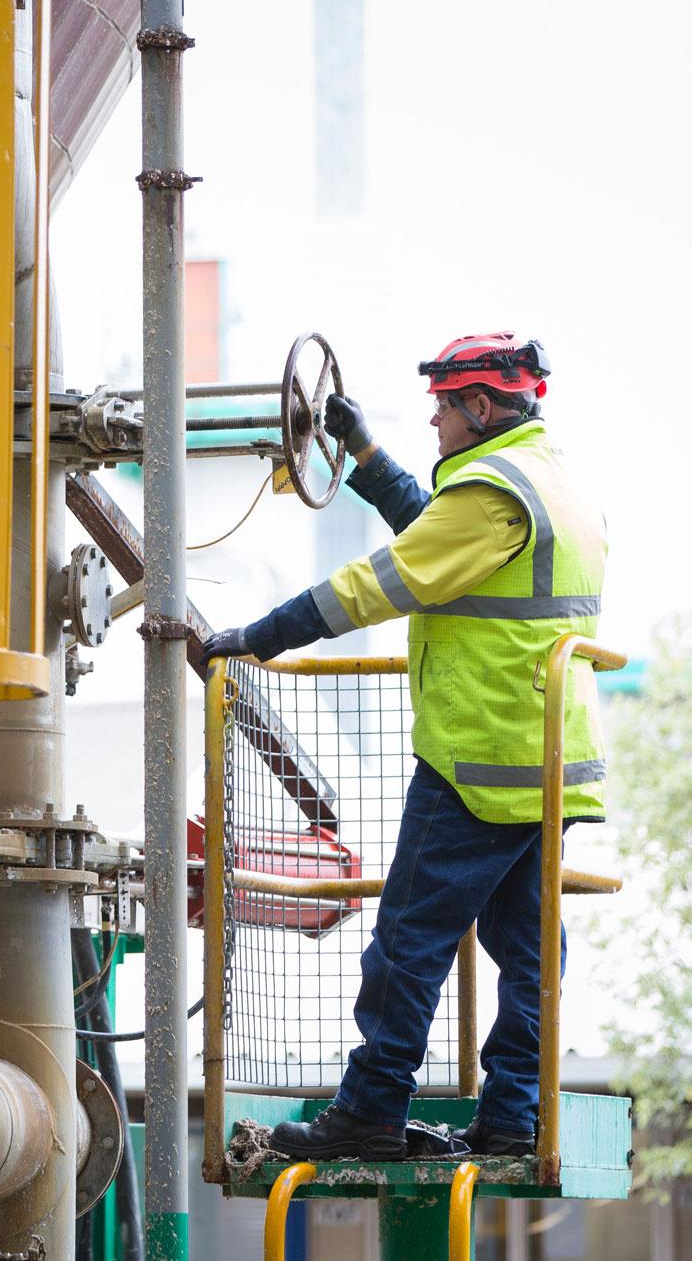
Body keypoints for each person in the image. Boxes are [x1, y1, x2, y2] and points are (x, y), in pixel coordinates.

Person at [200, 331, 609, 1161]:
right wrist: (362, 450)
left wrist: (259, 637)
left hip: (477, 762)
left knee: (408, 944)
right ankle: (513, 1116)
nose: (436, 421)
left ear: (482, 407)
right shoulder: (549, 484)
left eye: (445, 408)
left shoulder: (492, 493)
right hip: (548, 766)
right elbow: (437, 533)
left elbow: (381, 580)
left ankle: (372, 1107)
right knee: (530, 954)